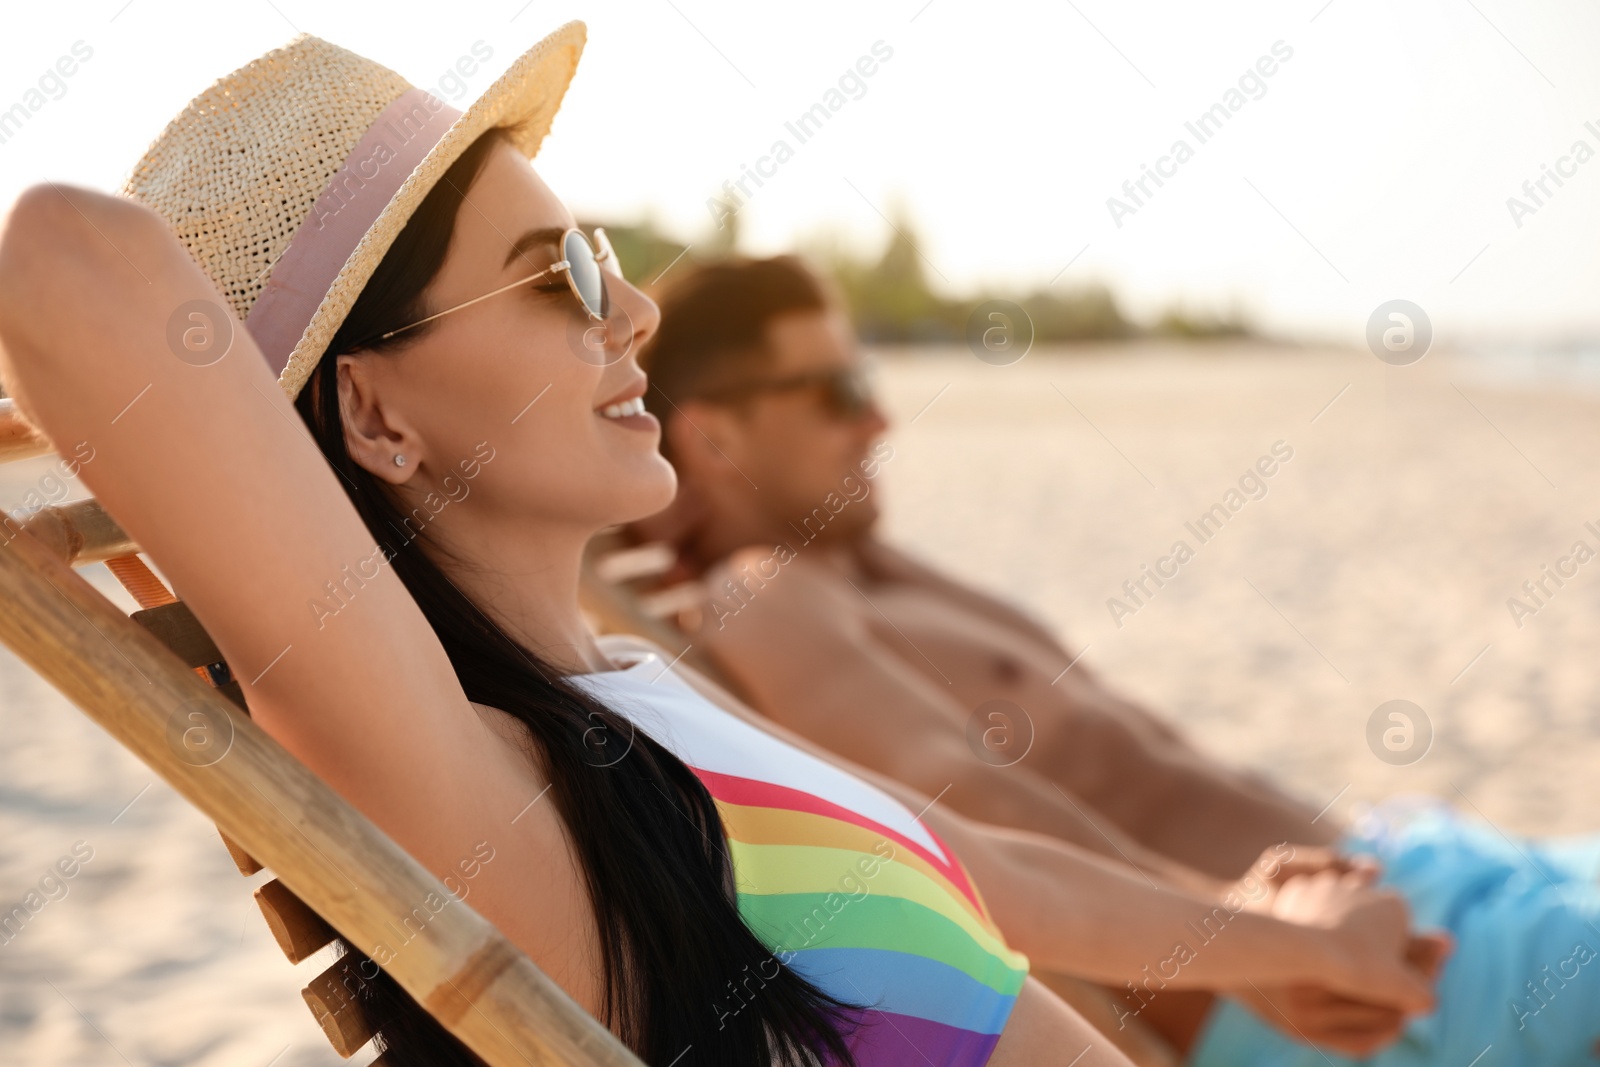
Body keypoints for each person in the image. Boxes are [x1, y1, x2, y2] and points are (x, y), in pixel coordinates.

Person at [0, 27, 1441, 1067]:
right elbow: (67, 258)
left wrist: (1287, 946)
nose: (633, 315)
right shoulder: (483, 792)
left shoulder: (627, 694)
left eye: (607, 257)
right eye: (553, 274)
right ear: (374, 414)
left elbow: (966, 858)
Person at [632, 255, 1600, 1065]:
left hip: (1413, 874)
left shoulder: (858, 564)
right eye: (838, 391)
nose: (877, 421)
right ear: (713, 432)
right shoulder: (758, 592)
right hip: (1337, 978)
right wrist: (1249, 935)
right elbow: (953, 789)